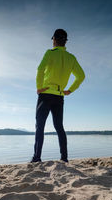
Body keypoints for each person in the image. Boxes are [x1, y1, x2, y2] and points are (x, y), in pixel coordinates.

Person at [31, 29, 85, 163]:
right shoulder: (71, 58)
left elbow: (40, 69)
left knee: (40, 126)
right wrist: (70, 90)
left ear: (54, 40)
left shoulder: (49, 53)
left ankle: (37, 158)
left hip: (46, 94)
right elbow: (81, 76)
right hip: (59, 96)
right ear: (65, 42)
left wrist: (39, 87)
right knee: (59, 127)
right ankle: (64, 158)